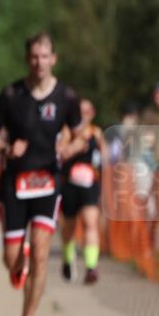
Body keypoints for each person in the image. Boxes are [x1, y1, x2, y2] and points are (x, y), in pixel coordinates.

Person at [0, 31, 83, 316]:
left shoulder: (66, 97)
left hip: (47, 184)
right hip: (14, 183)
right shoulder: (11, 95)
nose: (39, 62)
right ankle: (17, 263)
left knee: (41, 252)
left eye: (45, 56)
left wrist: (69, 147)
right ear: (28, 59)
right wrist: (7, 148)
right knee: (12, 260)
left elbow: (82, 135)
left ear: (54, 58)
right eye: (34, 56)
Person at [59, 99, 107, 284]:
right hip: (69, 185)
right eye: (80, 112)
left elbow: (106, 157)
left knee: (90, 222)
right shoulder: (66, 131)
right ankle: (67, 259)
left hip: (90, 184)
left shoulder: (96, 132)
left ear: (92, 113)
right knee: (69, 227)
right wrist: (74, 146)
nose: (84, 115)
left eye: (87, 112)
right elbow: (60, 154)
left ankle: (91, 266)